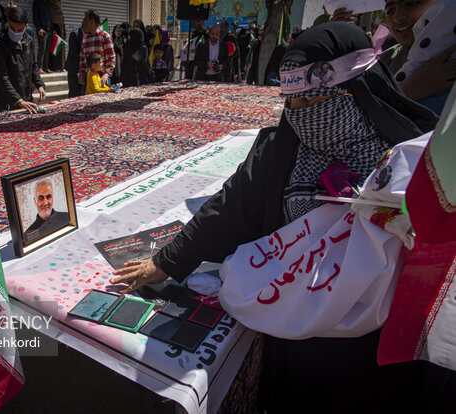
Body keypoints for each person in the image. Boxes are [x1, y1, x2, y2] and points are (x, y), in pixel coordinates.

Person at [111, 22, 438, 412]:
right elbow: (228, 208)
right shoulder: (282, 148)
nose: (298, 117)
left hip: (367, 344)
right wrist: (167, 260)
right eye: (290, 103)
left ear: (355, 93)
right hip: (296, 331)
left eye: (312, 103)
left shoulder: (411, 159)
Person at [391, 0, 456, 114]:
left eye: (411, 3)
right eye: (390, 10)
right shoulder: (384, 59)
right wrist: (408, 90)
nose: (397, 17)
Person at [0, 6, 46, 114]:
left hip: (26, 96)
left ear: (26, 26)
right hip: (8, 100)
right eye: (12, 28)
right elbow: (1, 76)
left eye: (20, 30)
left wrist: (39, 84)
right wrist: (18, 100)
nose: (16, 32)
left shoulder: (28, 40)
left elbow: (33, 65)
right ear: (8, 22)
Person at [77, 10, 115, 93]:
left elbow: (111, 58)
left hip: (102, 80)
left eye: (85, 20)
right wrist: (81, 73)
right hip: (88, 80)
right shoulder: (85, 38)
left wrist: (107, 74)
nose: (83, 23)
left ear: (92, 22)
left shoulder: (104, 36)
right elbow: (82, 58)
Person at [24, 179, 69, 244]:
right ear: (35, 201)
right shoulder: (28, 234)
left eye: (48, 197)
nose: (45, 203)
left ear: (53, 198)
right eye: (41, 198)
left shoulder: (67, 217)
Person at [32, 0, 53, 74]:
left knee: (47, 50)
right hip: (42, 29)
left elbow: (50, 18)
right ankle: (39, 67)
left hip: (48, 29)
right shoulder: (37, 3)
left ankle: (46, 67)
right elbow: (35, 17)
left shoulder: (47, 4)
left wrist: (52, 29)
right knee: (42, 49)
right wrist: (38, 28)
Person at [66, 26, 84, 97]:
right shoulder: (75, 34)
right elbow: (72, 52)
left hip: (83, 69)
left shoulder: (90, 36)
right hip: (74, 68)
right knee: (73, 91)